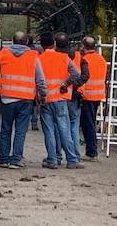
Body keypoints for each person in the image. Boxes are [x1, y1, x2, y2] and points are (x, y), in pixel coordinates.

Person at [0, 32, 46, 169]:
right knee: (20, 131)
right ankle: (16, 159)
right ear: (26, 42)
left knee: (5, 129)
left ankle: (3, 158)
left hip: (7, 98)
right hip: (25, 99)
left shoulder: (3, 53)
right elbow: (40, 79)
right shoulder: (33, 56)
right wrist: (43, 95)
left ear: (12, 41)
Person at [39, 32, 84, 169]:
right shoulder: (64, 58)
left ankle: (52, 159)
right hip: (60, 99)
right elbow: (77, 75)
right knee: (64, 128)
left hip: (45, 99)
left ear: (41, 45)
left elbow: (37, 79)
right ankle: (71, 159)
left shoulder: (39, 59)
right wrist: (66, 83)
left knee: (49, 130)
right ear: (54, 44)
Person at [55, 32, 89, 163]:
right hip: (75, 96)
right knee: (74, 127)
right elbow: (85, 75)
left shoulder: (55, 56)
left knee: (59, 126)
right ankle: (75, 155)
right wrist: (75, 86)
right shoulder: (79, 57)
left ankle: (57, 156)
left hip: (60, 94)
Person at [79, 36, 108, 161]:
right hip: (98, 95)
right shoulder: (101, 59)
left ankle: (91, 152)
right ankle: (91, 151)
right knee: (91, 122)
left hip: (87, 96)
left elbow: (82, 78)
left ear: (83, 46)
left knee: (88, 124)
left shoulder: (84, 60)